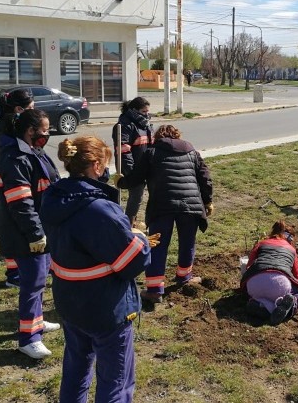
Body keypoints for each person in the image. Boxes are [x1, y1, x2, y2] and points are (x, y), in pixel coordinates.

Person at [41, 135, 154, 403]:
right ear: (96, 165)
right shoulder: (100, 209)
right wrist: (139, 237)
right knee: (116, 382)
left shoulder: (53, 197)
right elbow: (132, 261)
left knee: (76, 369)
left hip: (70, 302)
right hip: (106, 309)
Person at [118, 124, 213, 303]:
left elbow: (136, 178)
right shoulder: (192, 152)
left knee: (157, 245)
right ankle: (184, 276)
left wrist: (121, 182)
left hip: (162, 205)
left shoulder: (151, 153)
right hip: (190, 205)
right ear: (177, 136)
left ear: (157, 137)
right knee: (187, 242)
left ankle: (154, 290)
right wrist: (208, 200)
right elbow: (205, 177)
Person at [0, 108, 61, 359]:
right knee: (32, 283)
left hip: (42, 228)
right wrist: (35, 234)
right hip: (25, 233)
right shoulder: (15, 159)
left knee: (41, 278)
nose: (47, 134)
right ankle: (28, 338)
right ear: (30, 131)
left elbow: (49, 185)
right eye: (44, 130)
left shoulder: (35, 152)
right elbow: (21, 202)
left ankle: (37, 321)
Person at [0, 89, 35, 288]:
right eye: (31, 108)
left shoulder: (9, 126)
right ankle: (16, 275)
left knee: (12, 226)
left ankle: (15, 273)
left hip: (14, 183)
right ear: (19, 109)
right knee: (15, 227)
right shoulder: (10, 133)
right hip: (15, 183)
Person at [240, 220, 298, 325]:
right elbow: (296, 277)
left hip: (254, 285)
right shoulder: (291, 250)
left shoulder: (261, 243)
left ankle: (260, 306)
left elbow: (249, 266)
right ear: (289, 237)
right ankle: (290, 306)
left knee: (259, 295)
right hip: (279, 286)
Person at [112, 96, 153, 225]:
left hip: (147, 167)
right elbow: (124, 151)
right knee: (136, 196)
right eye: (144, 112)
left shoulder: (146, 125)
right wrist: (132, 171)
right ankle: (128, 224)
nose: (147, 115)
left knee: (144, 196)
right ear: (134, 111)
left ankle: (138, 221)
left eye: (147, 112)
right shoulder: (124, 125)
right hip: (134, 168)